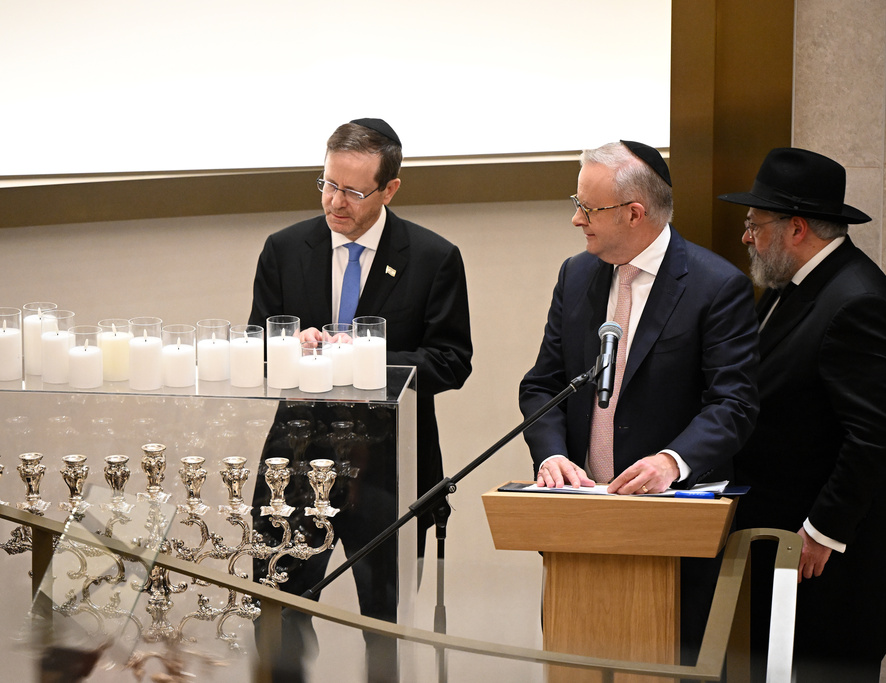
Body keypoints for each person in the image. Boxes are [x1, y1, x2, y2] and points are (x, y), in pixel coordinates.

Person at [248, 118, 473, 681]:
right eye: (326, 184)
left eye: (352, 190)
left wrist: (368, 358)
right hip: (295, 463)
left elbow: (452, 361)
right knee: (278, 616)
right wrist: (286, 346)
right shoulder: (284, 248)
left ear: (390, 189)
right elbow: (254, 345)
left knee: (389, 627)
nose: (334, 202)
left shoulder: (432, 257)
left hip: (389, 468)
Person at [519, 140, 760, 663]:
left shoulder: (717, 286)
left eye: (587, 207)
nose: (575, 219)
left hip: (671, 534)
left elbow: (733, 404)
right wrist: (551, 454)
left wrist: (671, 462)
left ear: (634, 212)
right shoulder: (577, 275)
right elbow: (543, 384)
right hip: (582, 526)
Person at [720, 147, 886, 682]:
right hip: (780, 558)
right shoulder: (796, 287)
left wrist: (823, 530)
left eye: (755, 224)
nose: (746, 236)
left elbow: (874, 434)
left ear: (796, 228)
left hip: (822, 569)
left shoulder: (856, 299)